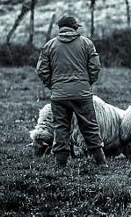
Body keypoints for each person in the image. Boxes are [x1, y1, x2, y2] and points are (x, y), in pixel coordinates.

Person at [36, 15, 107, 168]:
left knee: (61, 128)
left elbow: (41, 70)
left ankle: (60, 165)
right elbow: (95, 67)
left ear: (60, 29)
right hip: (82, 94)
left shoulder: (49, 46)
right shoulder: (87, 43)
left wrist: (53, 85)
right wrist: (87, 83)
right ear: (75, 28)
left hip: (59, 95)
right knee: (90, 127)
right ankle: (101, 162)